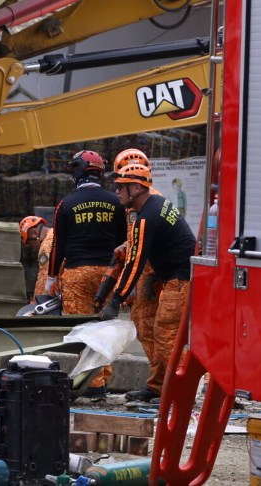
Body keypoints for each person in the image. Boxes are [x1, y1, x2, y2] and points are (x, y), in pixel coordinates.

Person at [99, 164, 196, 404]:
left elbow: (134, 263)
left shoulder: (146, 217)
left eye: (121, 188)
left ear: (136, 187)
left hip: (182, 278)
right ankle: (158, 388)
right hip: (173, 274)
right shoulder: (154, 203)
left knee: (167, 334)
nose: (117, 193)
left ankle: (181, 394)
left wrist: (115, 300)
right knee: (156, 332)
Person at [49, 150, 126, 399]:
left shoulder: (66, 203)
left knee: (83, 330)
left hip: (77, 274)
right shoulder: (116, 202)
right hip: (109, 273)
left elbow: (57, 246)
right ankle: (102, 382)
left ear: (79, 171)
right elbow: (124, 242)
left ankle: (93, 386)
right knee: (104, 329)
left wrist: (51, 279)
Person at [103, 148, 160, 394]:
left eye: (121, 182)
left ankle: (160, 386)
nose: (117, 190)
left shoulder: (144, 206)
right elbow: (138, 243)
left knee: (149, 327)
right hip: (147, 271)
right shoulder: (142, 203)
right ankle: (159, 384)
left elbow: (142, 251)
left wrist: (122, 293)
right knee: (149, 328)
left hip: (148, 273)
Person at [20, 215, 54, 302]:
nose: (33, 248)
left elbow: (44, 278)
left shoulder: (45, 247)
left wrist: (35, 303)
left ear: (35, 233)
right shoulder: (55, 233)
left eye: (30, 243)